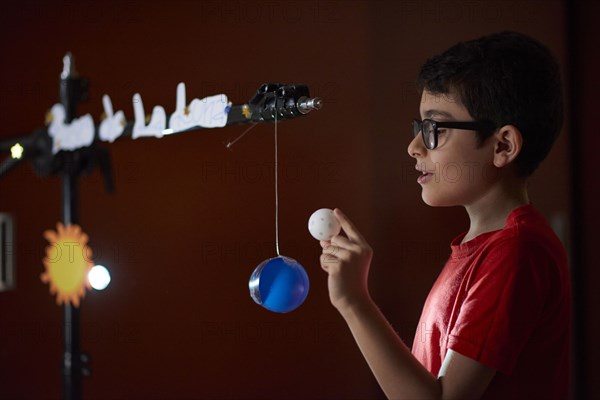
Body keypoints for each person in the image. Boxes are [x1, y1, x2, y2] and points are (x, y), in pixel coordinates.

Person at [319, 31, 571, 399]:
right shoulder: (485, 247)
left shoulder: (516, 253)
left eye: (434, 129)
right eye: (419, 127)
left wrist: (354, 302)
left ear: (503, 146)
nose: (414, 146)